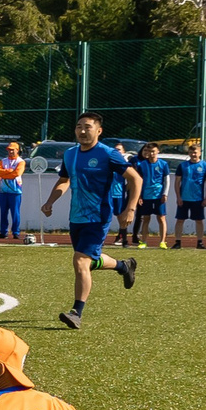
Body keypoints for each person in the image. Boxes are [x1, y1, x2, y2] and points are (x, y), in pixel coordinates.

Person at [37, 114, 141, 330]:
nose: (82, 131)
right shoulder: (70, 154)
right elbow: (65, 180)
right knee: (89, 260)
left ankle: (76, 312)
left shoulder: (108, 154)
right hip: (77, 217)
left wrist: (129, 209)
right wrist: (50, 201)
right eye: (78, 127)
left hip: (97, 217)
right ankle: (124, 265)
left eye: (88, 127)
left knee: (81, 261)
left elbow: (135, 178)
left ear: (99, 131)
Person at [171, 150, 206, 249]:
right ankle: (178, 242)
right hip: (184, 198)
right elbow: (177, 182)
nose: (193, 154)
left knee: (199, 220)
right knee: (180, 220)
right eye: (191, 152)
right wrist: (178, 197)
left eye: (195, 152)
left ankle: (200, 242)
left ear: (200, 153)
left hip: (198, 199)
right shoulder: (182, 166)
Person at [129, 143, 167, 248]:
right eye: (149, 151)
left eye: (153, 151)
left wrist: (165, 193)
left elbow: (166, 179)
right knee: (146, 218)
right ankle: (144, 242)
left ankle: (162, 241)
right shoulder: (143, 165)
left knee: (161, 218)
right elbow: (139, 181)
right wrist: (140, 195)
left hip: (158, 196)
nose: (151, 153)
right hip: (146, 196)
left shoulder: (163, 164)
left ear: (158, 151)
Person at [0, 142, 27, 239]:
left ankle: (16, 232)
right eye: (9, 150)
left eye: (12, 149)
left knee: (15, 212)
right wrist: (9, 171)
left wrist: (4, 173)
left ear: (17, 150)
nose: (10, 151)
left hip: (15, 191)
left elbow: (17, 173)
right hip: (4, 191)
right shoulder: (3, 161)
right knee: (3, 212)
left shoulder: (21, 161)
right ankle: (4, 232)